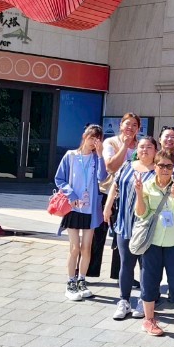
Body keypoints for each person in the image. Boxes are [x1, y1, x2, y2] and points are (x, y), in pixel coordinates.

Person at [135, 148, 174, 336]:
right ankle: (148, 320)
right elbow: (141, 213)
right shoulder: (147, 186)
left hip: (173, 241)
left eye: (169, 166)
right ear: (155, 166)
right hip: (152, 241)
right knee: (149, 279)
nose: (165, 169)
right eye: (161, 165)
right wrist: (138, 193)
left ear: (173, 168)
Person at [104, 135, 157, 320]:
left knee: (145, 265)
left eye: (149, 147)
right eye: (141, 147)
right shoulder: (127, 165)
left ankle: (144, 300)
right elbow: (115, 186)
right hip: (125, 222)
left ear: (155, 151)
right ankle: (124, 301)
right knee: (126, 263)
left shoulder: (158, 171)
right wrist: (108, 206)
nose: (144, 150)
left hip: (146, 226)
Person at [54, 124, 108, 301]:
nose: (94, 142)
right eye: (92, 138)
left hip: (90, 209)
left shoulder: (96, 158)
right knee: (74, 247)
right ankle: (71, 282)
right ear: (85, 136)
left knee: (86, 247)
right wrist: (71, 194)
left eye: (97, 139)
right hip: (73, 208)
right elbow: (59, 179)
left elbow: (102, 177)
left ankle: (82, 280)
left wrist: (100, 155)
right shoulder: (70, 156)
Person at [102, 114, 141, 279]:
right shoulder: (111, 142)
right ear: (120, 125)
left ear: (138, 128)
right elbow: (111, 167)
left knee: (131, 235)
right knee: (114, 236)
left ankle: (125, 276)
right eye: (127, 124)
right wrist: (124, 146)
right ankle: (121, 276)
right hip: (113, 194)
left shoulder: (141, 145)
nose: (130, 128)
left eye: (134, 125)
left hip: (134, 196)